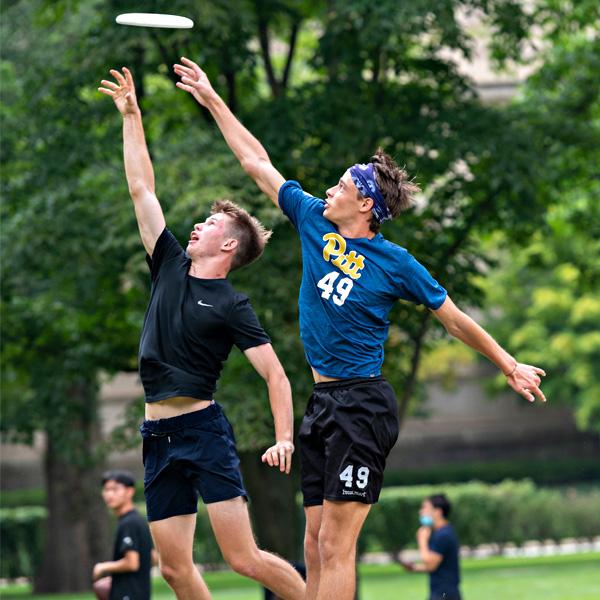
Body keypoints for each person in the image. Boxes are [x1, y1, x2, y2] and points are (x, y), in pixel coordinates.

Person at [172, 57, 547, 600]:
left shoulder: (395, 263)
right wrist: (211, 97)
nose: (332, 186)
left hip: (362, 408)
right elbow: (257, 161)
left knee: (335, 548)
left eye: (344, 183)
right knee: (312, 543)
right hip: (322, 404)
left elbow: (453, 318)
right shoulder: (312, 221)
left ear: (365, 203)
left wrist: (508, 364)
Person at [98, 68, 305, 600]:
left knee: (243, 559)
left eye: (211, 225)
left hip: (201, 432)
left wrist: (284, 437)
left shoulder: (234, 305)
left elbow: (276, 375)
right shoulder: (167, 263)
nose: (198, 225)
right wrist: (132, 117)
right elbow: (141, 186)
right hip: (156, 438)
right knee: (173, 570)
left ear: (229, 246)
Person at [92, 470, 154, 600]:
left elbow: (132, 563)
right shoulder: (136, 520)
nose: (109, 494)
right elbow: (153, 557)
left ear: (129, 491)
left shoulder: (129, 523)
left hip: (129, 594)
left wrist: (103, 567)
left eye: (115, 489)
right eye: (106, 490)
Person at [399, 494, 462, 600]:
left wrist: (422, 540)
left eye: (425, 508)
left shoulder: (443, 535)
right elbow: (433, 566)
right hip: (443, 592)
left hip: (444, 593)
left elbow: (429, 562)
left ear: (438, 512)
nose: (421, 512)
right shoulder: (441, 532)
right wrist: (414, 568)